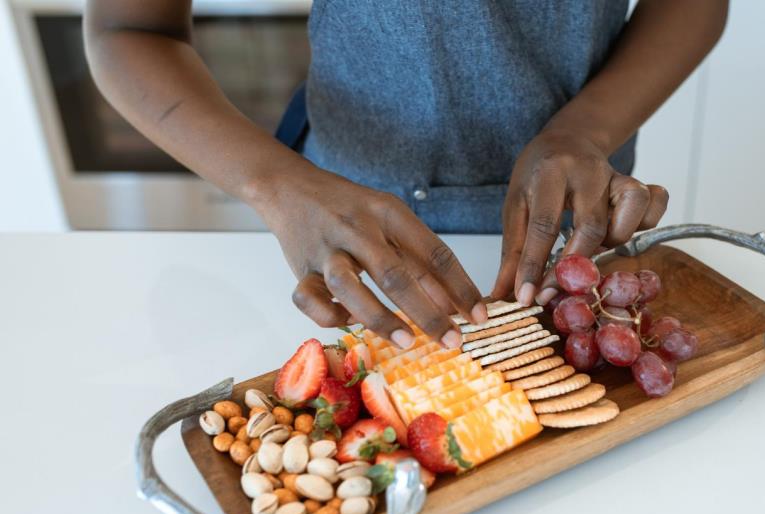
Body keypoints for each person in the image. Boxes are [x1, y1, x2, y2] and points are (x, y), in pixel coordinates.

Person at [85, 1, 728, 350]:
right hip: (337, 241)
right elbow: (129, 27)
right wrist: (277, 186)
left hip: (577, 213)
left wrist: (585, 130)